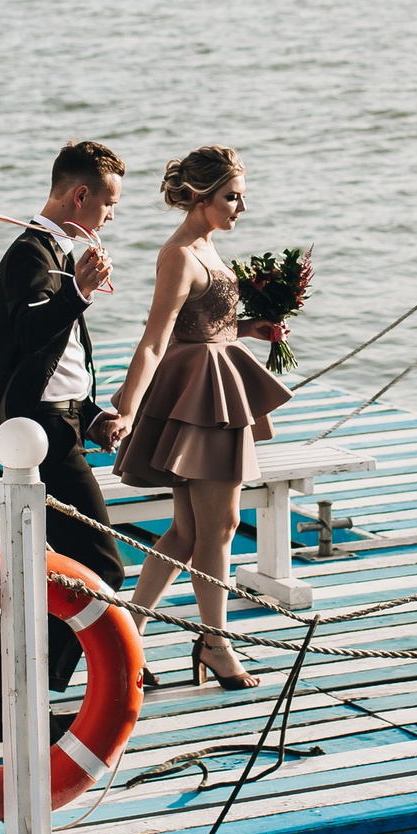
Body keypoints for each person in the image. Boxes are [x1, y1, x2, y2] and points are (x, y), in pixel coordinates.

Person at [111, 146, 291, 690]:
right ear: (201, 197)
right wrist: (126, 406)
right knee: (220, 527)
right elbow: (156, 337)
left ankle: (130, 636)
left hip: (215, 384)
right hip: (199, 397)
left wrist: (249, 327)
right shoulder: (180, 255)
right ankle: (215, 643)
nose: (242, 206)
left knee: (189, 530)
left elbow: (206, 324)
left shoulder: (207, 246)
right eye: (232, 196)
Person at [0, 140, 129, 741]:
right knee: (99, 564)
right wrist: (77, 292)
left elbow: (56, 357)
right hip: (38, 434)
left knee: (45, 570)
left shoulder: (56, 251)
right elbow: (30, 328)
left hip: (59, 424)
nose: (112, 216)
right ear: (80, 195)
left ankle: (12, 706)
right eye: (109, 202)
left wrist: (91, 414)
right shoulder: (30, 253)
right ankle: (25, 699)